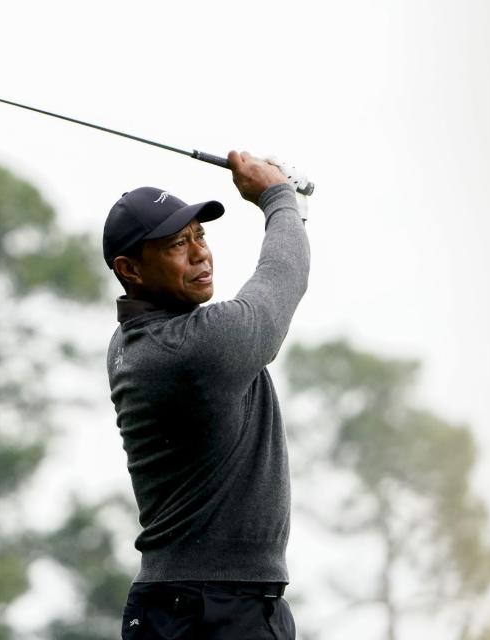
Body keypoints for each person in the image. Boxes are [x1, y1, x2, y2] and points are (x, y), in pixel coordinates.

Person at [103, 150, 310, 640]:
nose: (200, 254)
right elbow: (281, 281)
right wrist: (278, 198)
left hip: (203, 603)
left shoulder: (138, 340)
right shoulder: (190, 348)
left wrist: (290, 212)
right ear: (130, 269)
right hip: (209, 608)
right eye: (178, 243)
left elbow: (285, 266)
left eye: (200, 236)